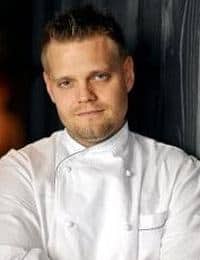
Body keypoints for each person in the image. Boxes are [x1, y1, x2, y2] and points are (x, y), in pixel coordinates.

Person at [0, 5, 200, 260]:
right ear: (50, 89)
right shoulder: (20, 172)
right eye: (66, 83)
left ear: (127, 75)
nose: (84, 96)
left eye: (99, 76)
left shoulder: (179, 174)